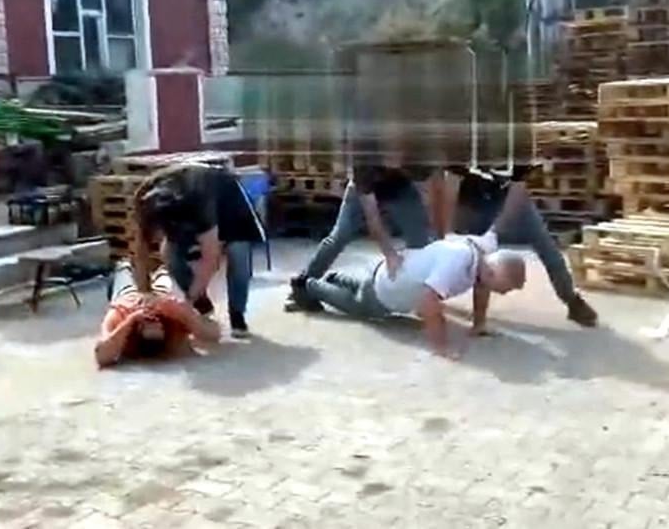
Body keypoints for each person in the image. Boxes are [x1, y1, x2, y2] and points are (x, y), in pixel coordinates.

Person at [305, 231, 526, 358]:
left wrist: (479, 324)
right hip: (384, 294)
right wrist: (441, 347)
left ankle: (335, 277)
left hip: (387, 274)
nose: (505, 292)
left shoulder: (479, 258)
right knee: (361, 307)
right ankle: (309, 285)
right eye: (505, 287)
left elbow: (482, 287)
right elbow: (427, 304)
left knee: (364, 287)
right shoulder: (458, 261)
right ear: (491, 272)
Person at [441, 164, 599, 327]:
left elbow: (518, 190)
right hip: (473, 204)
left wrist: (495, 231)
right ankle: (449, 301)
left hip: (513, 202)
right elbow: (452, 183)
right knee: (478, 257)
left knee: (550, 252)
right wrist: (444, 231)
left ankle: (571, 300)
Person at [287, 151, 441, 313]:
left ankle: (426, 296)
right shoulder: (365, 161)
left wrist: (440, 236)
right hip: (364, 190)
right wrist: (390, 254)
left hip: (402, 190)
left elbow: (437, 191)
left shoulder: (421, 155)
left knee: (421, 240)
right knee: (339, 236)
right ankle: (301, 287)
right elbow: (372, 217)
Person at [134, 163, 265, 337]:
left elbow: (211, 259)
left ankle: (237, 315)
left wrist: (187, 303)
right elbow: (140, 251)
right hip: (188, 193)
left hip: (227, 197)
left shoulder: (198, 206)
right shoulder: (143, 200)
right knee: (171, 256)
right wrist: (144, 293)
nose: (156, 237)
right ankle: (201, 302)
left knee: (238, 254)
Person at [95, 261, 221, 367]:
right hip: (163, 291)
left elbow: (101, 355)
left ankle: (126, 264)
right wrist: (185, 314)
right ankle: (161, 267)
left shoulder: (121, 314)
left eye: (148, 319)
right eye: (155, 320)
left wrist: (130, 319)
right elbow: (214, 334)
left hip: (127, 293)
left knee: (124, 269)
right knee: (169, 271)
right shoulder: (174, 322)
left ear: (137, 327)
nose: (151, 312)